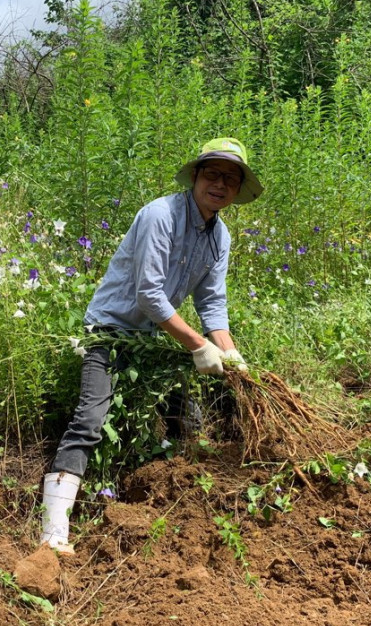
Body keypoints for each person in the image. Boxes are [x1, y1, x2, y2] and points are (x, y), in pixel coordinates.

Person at [40, 137, 264, 554]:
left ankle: (183, 516)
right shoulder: (161, 215)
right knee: (90, 419)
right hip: (110, 331)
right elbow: (149, 295)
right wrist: (198, 346)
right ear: (195, 175)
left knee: (187, 420)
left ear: (236, 191)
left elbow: (212, 303)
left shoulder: (220, 237)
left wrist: (231, 355)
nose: (220, 184)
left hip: (153, 339)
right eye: (212, 173)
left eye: (230, 179)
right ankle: (53, 532)